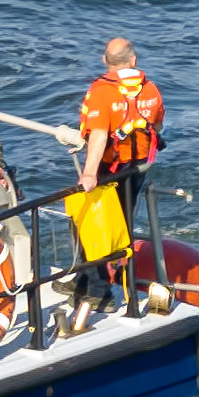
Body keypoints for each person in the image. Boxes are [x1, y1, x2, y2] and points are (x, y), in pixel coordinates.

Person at [71, 37, 165, 331]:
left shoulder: (103, 92)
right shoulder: (150, 89)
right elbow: (157, 126)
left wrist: (88, 174)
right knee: (120, 223)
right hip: (136, 168)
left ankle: (100, 290)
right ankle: (83, 279)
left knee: (90, 224)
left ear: (105, 61)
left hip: (107, 170)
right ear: (133, 60)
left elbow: (98, 136)